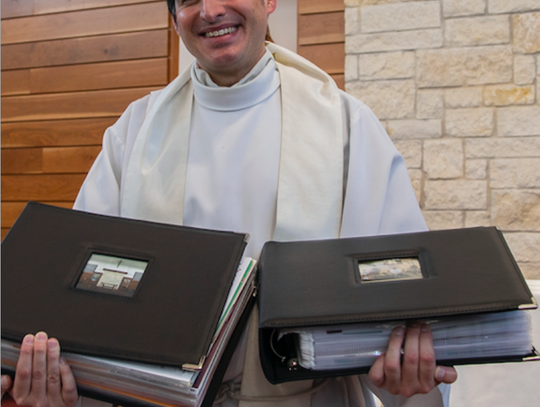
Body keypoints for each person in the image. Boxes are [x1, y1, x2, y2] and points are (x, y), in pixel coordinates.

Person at [1, 0, 458, 406]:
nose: (211, 10)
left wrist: (406, 371)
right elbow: (82, 289)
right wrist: (50, 375)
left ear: (269, 1)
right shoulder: (136, 130)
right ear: (174, 17)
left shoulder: (346, 125)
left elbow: (396, 289)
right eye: (189, 0)